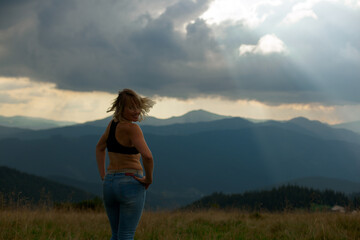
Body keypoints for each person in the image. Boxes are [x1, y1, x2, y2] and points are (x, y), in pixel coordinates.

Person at [96, 89, 155, 240]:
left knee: (116, 235)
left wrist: (103, 175)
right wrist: (148, 179)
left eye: (138, 107)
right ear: (121, 109)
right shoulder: (133, 128)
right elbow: (148, 157)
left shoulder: (112, 125)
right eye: (131, 108)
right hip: (130, 181)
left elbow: (99, 148)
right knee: (126, 235)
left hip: (109, 183)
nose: (136, 111)